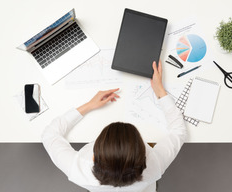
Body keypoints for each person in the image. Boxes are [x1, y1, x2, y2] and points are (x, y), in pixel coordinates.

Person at [42, 61, 187, 192]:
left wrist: (89, 105)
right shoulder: (155, 164)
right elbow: (179, 130)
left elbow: (49, 135)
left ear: (93, 158)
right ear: (144, 156)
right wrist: (160, 91)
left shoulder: (80, 170)